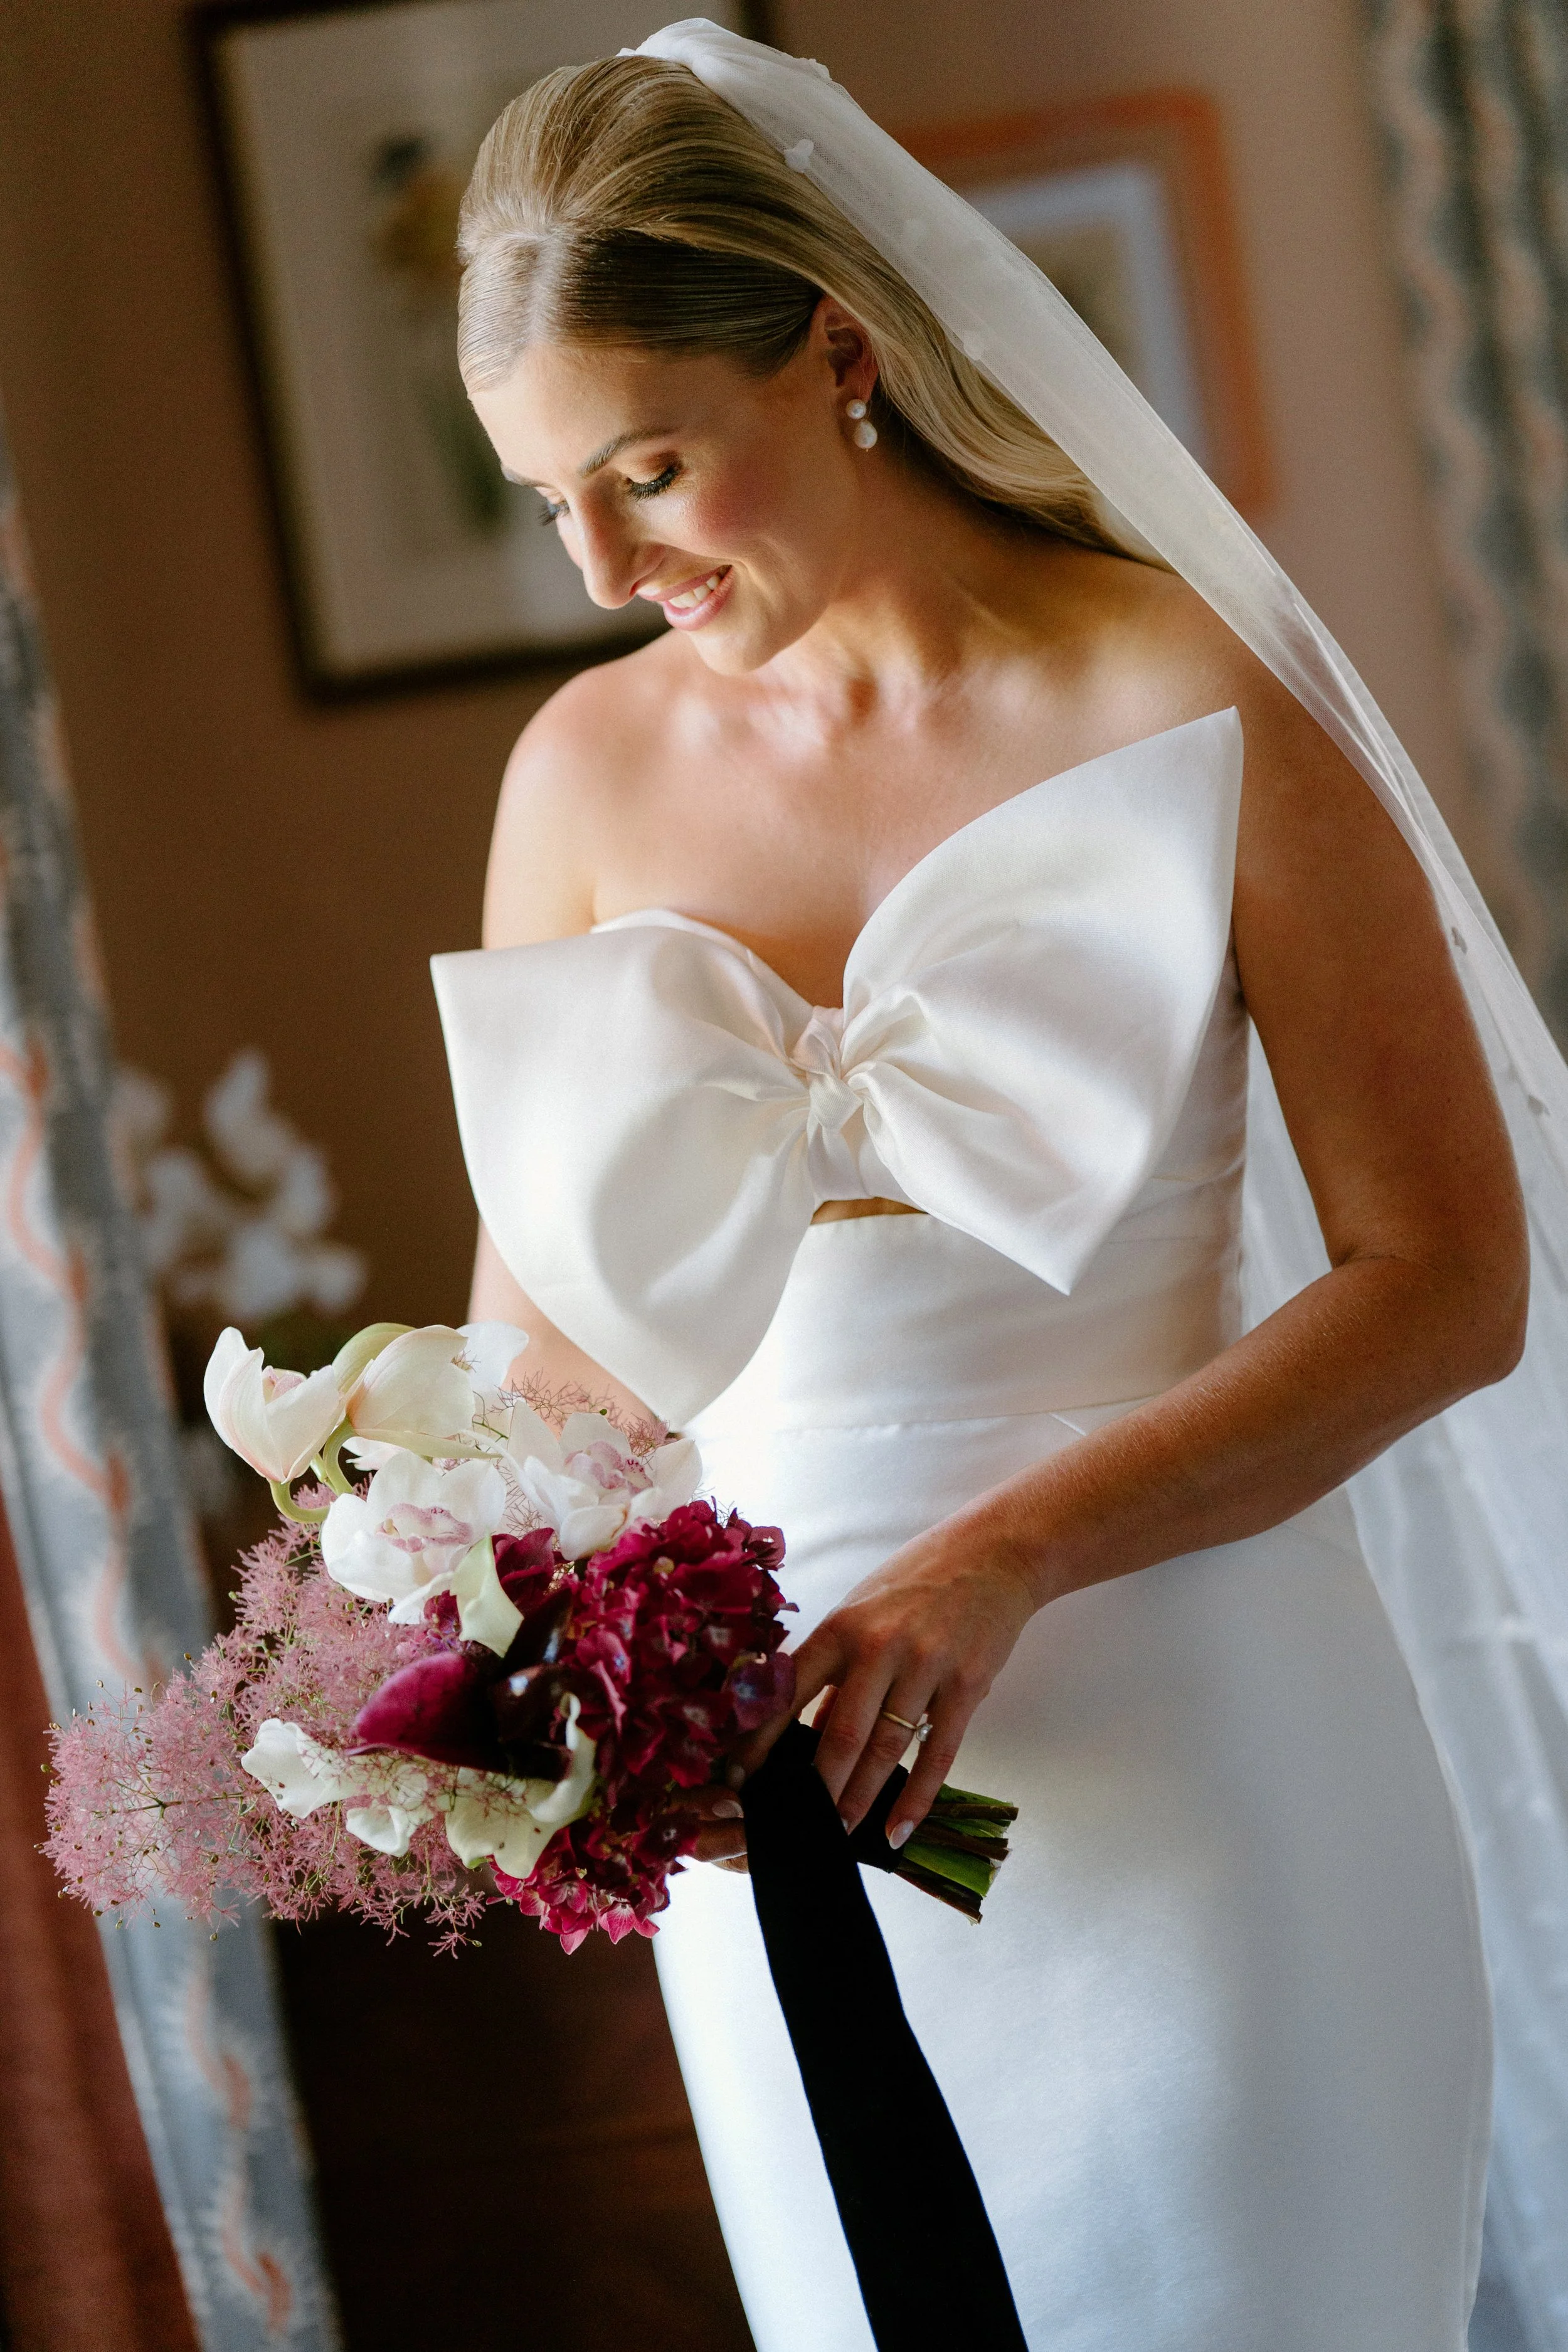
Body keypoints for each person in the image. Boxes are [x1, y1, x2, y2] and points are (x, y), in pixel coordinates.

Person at [433, 27, 1536, 2350]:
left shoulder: (1179, 694)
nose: (607, 563)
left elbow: (1443, 1283)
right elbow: (540, 1362)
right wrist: (514, 1662)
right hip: (784, 1825)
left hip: (1214, 1746)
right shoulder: (575, 782)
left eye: (649, 467)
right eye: (550, 499)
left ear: (835, 352)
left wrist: (1003, 1553)